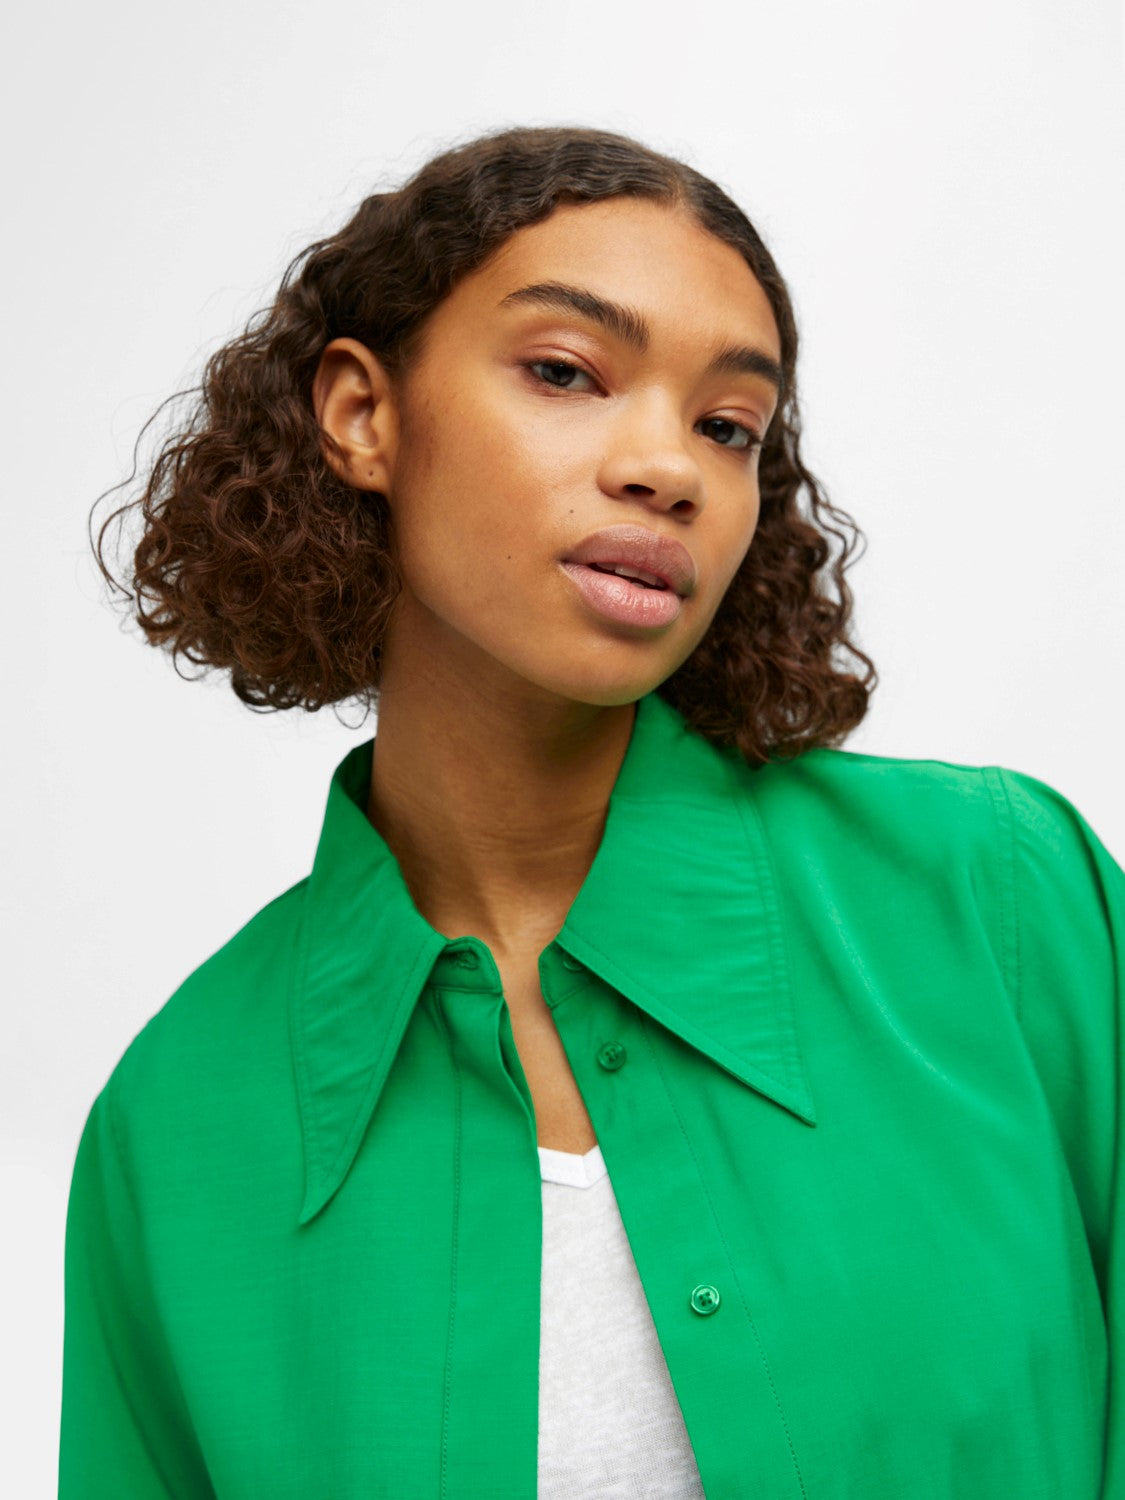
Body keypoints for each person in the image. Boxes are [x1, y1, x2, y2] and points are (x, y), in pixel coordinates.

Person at [61, 124, 1123, 1499]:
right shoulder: (179, 1126)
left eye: (727, 427)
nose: (667, 467)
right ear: (363, 415)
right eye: (564, 371)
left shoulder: (1003, 903)